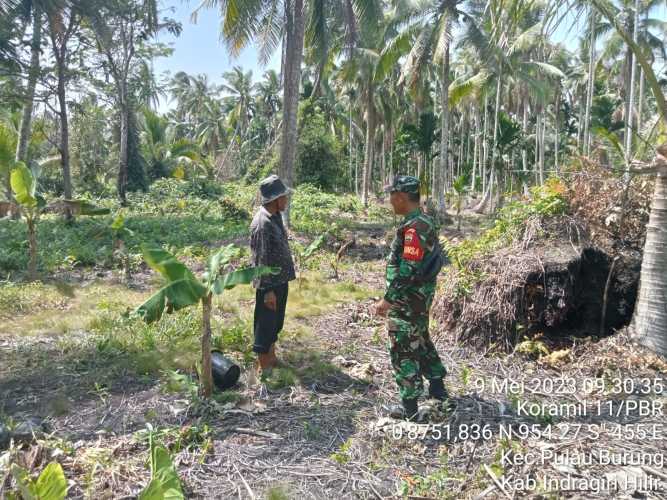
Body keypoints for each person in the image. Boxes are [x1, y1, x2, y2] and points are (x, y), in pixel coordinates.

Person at [374, 175, 449, 420]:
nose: (390, 201)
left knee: (403, 348)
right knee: (421, 338)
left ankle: (410, 407)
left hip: (407, 299)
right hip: (419, 297)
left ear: (401, 197)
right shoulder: (424, 221)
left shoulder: (414, 228)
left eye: (391, 196)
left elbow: (408, 268)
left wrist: (388, 299)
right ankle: (438, 388)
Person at [250, 175, 296, 374]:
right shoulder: (262, 223)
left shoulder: (274, 216)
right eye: (284, 197)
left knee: (275, 323)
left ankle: (272, 358)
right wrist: (267, 290)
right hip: (268, 284)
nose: (286, 200)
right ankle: (264, 367)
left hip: (280, 279)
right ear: (275, 200)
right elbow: (261, 259)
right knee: (265, 324)